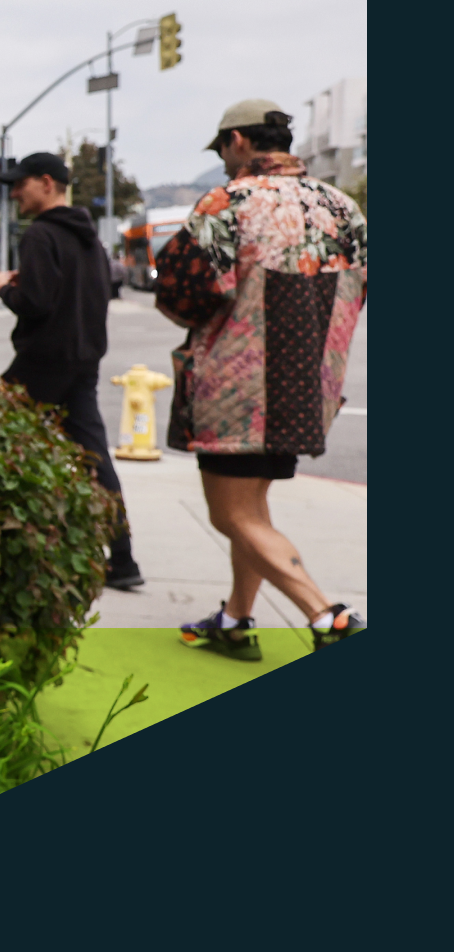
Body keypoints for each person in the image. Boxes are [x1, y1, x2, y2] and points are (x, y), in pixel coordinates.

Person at [155, 100, 368, 658]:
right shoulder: (344, 209)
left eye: (224, 150)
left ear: (239, 141)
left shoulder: (228, 203)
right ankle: (235, 619)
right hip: (308, 390)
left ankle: (326, 615)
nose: (225, 162)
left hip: (237, 390)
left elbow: (181, 295)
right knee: (253, 511)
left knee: (229, 514)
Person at [0, 151, 143, 591]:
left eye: (20, 184)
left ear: (46, 183)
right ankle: (122, 560)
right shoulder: (87, 236)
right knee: (95, 460)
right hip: (82, 362)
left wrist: (5, 286)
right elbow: (87, 289)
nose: (14, 193)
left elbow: (36, 302)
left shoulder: (41, 234)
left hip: (41, 364)